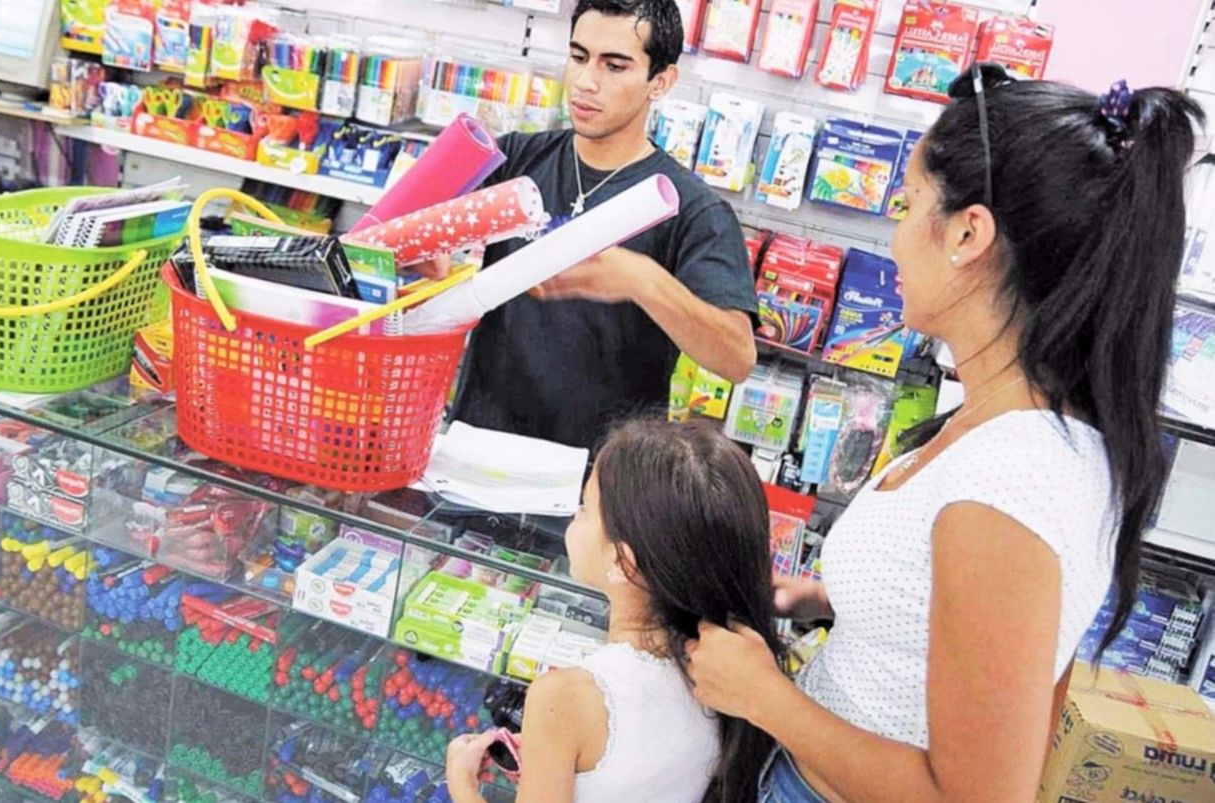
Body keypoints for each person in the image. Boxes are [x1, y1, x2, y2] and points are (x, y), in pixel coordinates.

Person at [683, 66, 1205, 803]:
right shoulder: (1017, 424)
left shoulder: (1010, 484)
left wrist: (765, 696)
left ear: (968, 232)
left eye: (907, 204)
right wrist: (838, 599)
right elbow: (984, 641)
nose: (894, 237)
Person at [438, 0, 758, 449]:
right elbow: (407, 240)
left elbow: (737, 357)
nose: (585, 82)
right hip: (476, 450)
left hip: (600, 478)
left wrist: (642, 280)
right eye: (578, 56)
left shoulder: (693, 209)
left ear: (660, 82)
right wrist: (424, 258)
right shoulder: (514, 159)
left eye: (615, 66)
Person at [443, 417, 782, 802]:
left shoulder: (564, 698)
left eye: (586, 507)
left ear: (623, 563)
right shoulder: (733, 672)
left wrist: (462, 784)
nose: (574, 513)